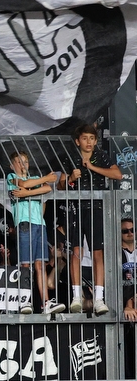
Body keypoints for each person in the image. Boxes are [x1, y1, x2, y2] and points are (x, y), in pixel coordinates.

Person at [61, 123, 122, 315]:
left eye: (92, 138)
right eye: (85, 138)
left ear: (96, 141)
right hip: (75, 208)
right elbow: (61, 184)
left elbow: (117, 174)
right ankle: (76, 296)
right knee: (76, 251)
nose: (89, 142)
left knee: (98, 253)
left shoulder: (101, 156)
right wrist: (71, 177)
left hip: (96, 208)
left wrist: (93, 167)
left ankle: (99, 298)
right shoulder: (69, 157)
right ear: (78, 141)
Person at [7, 150, 64, 315]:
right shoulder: (11, 177)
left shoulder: (34, 179)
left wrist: (27, 194)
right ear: (12, 165)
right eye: (19, 161)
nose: (23, 164)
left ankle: (46, 303)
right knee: (26, 264)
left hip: (40, 223)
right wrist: (44, 179)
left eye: (25, 161)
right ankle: (25, 301)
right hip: (25, 223)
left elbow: (46, 188)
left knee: (40, 265)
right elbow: (24, 184)